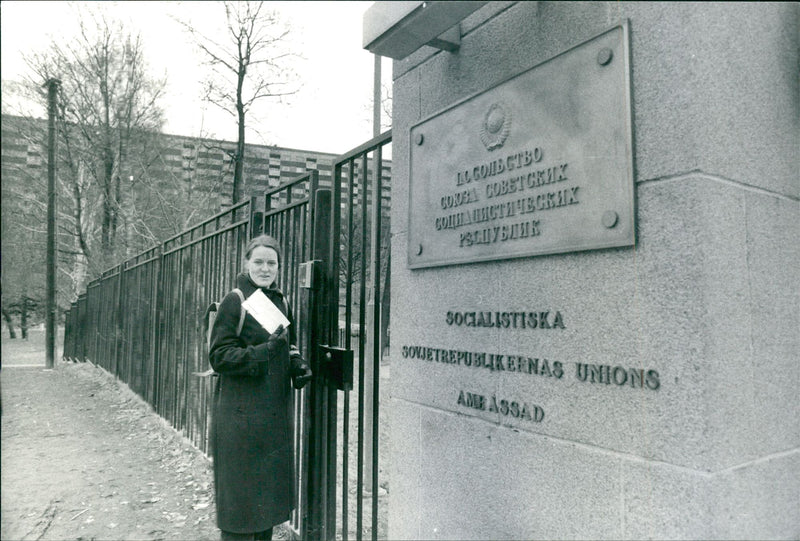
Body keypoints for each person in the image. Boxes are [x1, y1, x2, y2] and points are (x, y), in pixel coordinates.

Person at [208, 234, 312, 541]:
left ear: (279, 266)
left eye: (272, 263)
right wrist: (261, 354)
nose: (265, 269)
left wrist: (297, 364)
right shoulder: (236, 300)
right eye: (259, 262)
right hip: (239, 418)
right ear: (246, 263)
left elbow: (287, 345)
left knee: (265, 503)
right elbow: (219, 357)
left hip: (272, 416)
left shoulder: (281, 300)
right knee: (240, 507)